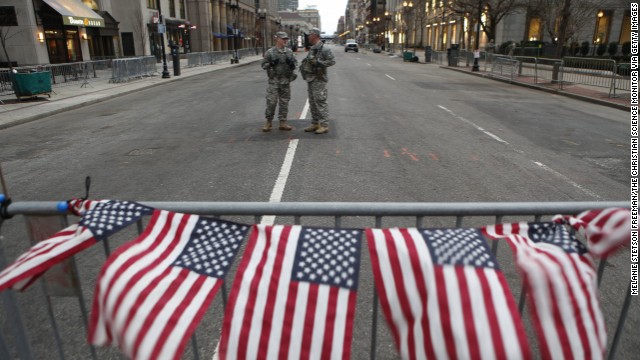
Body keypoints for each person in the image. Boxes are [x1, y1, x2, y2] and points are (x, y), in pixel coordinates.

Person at [299, 28, 336, 134]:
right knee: (312, 102)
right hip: (311, 79)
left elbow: (332, 61)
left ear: (314, 35)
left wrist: (318, 62)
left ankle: (324, 125)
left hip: (319, 80)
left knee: (320, 102)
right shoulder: (313, 48)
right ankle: (315, 123)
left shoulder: (324, 49)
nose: (308, 37)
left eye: (309, 35)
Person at [261, 31, 298, 132]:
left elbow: (295, 64)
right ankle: (268, 121)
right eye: (283, 39)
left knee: (284, 102)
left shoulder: (289, 52)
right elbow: (263, 65)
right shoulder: (270, 52)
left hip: (285, 81)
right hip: (274, 81)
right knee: (271, 102)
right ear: (277, 39)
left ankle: (283, 122)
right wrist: (271, 64)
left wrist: (292, 65)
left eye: (286, 39)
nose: (285, 41)